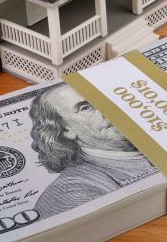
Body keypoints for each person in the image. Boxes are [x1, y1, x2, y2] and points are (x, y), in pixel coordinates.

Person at [29, 83, 158, 218]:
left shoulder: (153, 145)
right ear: (66, 130)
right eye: (85, 108)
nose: (107, 109)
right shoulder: (72, 192)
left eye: (104, 99)